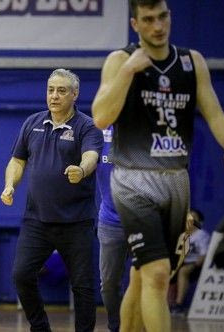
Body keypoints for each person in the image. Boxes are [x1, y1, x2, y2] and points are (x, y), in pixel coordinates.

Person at [91, 0, 224, 330]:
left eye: (162, 17)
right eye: (148, 20)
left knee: (146, 274)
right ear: (135, 24)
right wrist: (130, 71)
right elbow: (101, 115)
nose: (157, 26)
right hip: (133, 179)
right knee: (158, 275)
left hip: (176, 180)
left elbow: (214, 112)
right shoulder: (119, 60)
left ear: (169, 17)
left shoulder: (192, 62)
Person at [1, 68, 102, 332]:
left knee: (82, 286)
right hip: (37, 220)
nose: (54, 96)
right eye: (50, 90)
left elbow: (91, 156)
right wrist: (10, 185)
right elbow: (17, 160)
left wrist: (81, 170)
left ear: (75, 94)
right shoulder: (32, 122)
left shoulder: (87, 126)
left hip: (76, 221)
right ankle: (40, 328)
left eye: (61, 90)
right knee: (21, 275)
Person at [95, 125, 128, 332]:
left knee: (149, 280)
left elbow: (171, 170)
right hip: (110, 221)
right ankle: (115, 326)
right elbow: (88, 158)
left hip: (145, 219)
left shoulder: (149, 128)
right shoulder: (97, 132)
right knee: (108, 284)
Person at [172, 209, 209, 315]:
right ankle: (166, 304)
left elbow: (203, 255)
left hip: (197, 264)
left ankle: (178, 305)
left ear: (199, 222)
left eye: (194, 218)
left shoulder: (202, 235)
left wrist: (195, 264)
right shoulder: (183, 235)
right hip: (183, 263)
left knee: (183, 270)